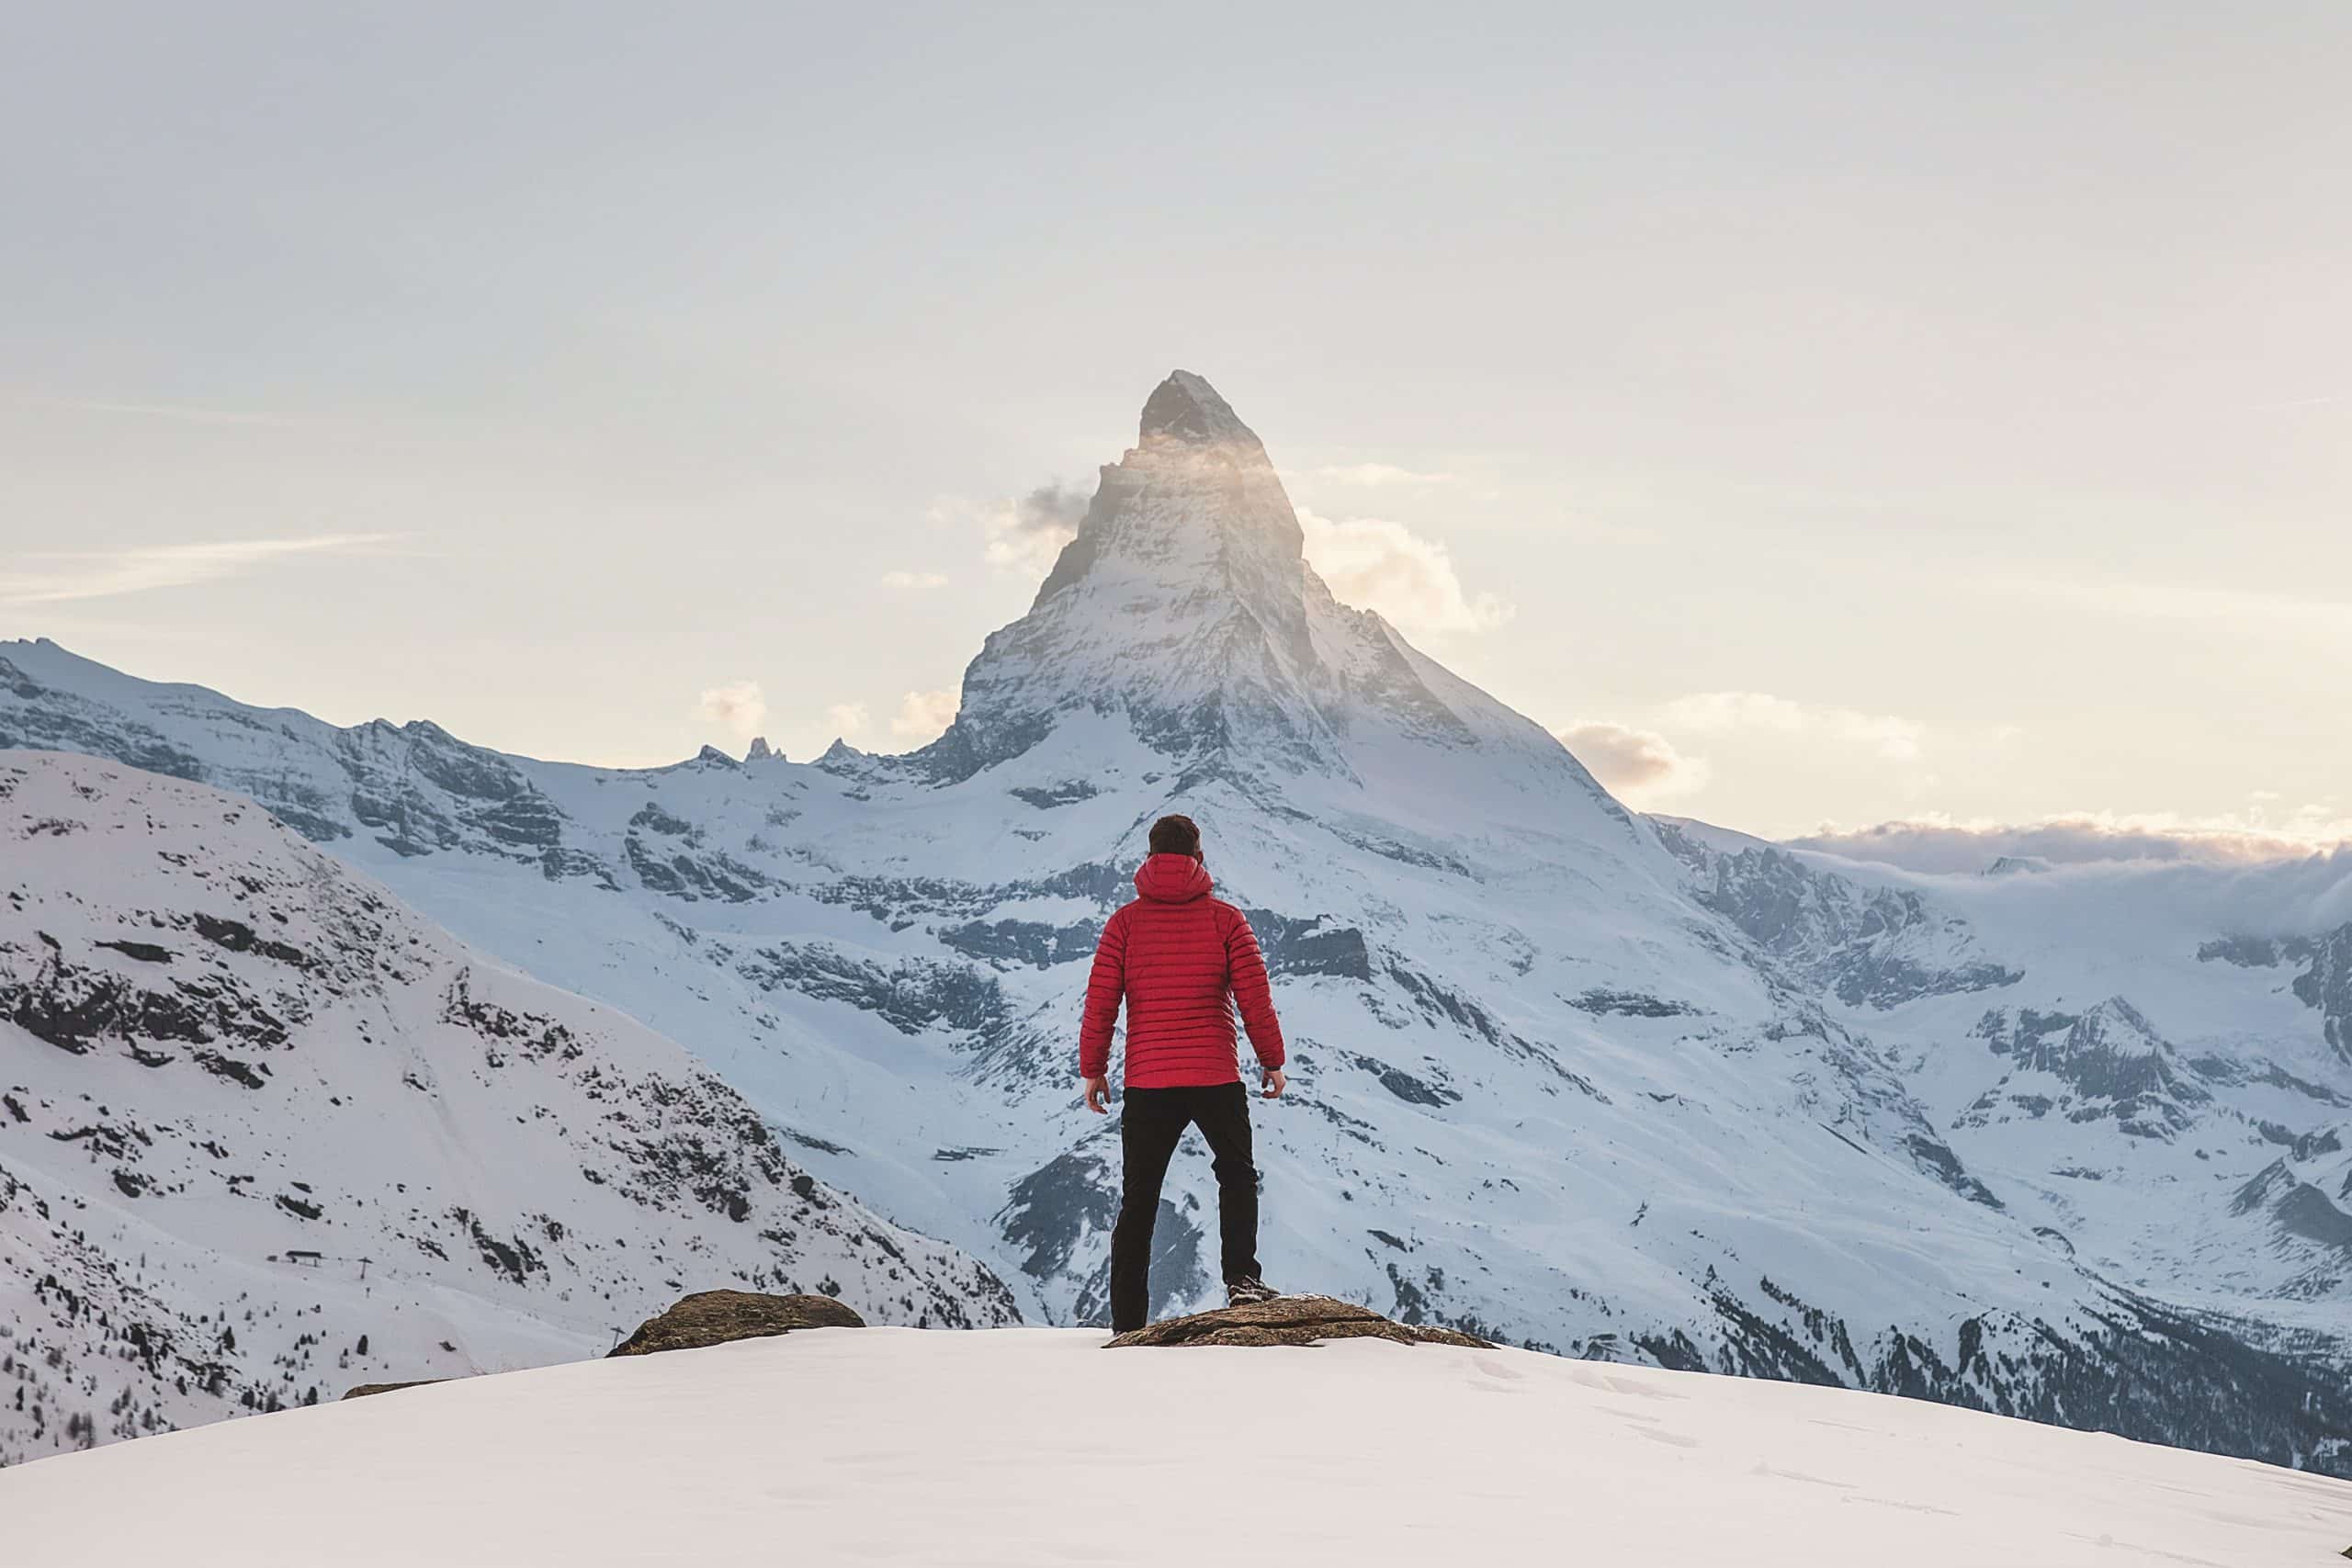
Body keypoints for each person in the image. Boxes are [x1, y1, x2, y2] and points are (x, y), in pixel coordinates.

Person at [1080, 813, 1287, 1334]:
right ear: (1199, 857)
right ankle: (1242, 1281)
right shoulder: (1226, 920)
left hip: (1149, 1082)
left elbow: (1101, 1002)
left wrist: (1094, 1069)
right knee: (1236, 1175)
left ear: (1149, 858)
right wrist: (1272, 1061)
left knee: (1140, 1197)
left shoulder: (1123, 924)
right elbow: (1254, 998)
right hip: (1215, 1075)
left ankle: (1128, 1321)